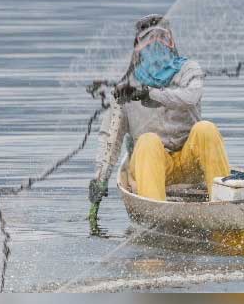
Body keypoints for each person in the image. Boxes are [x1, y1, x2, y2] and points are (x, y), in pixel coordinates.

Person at [89, 14, 230, 203]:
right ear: (138, 48)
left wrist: (150, 93)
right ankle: (156, 209)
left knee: (206, 129)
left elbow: (191, 97)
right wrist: (100, 178)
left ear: (172, 43)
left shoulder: (189, 70)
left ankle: (225, 202)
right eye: (148, 40)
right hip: (151, 167)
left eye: (163, 38)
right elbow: (110, 137)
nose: (156, 45)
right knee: (147, 141)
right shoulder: (125, 86)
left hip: (190, 164)